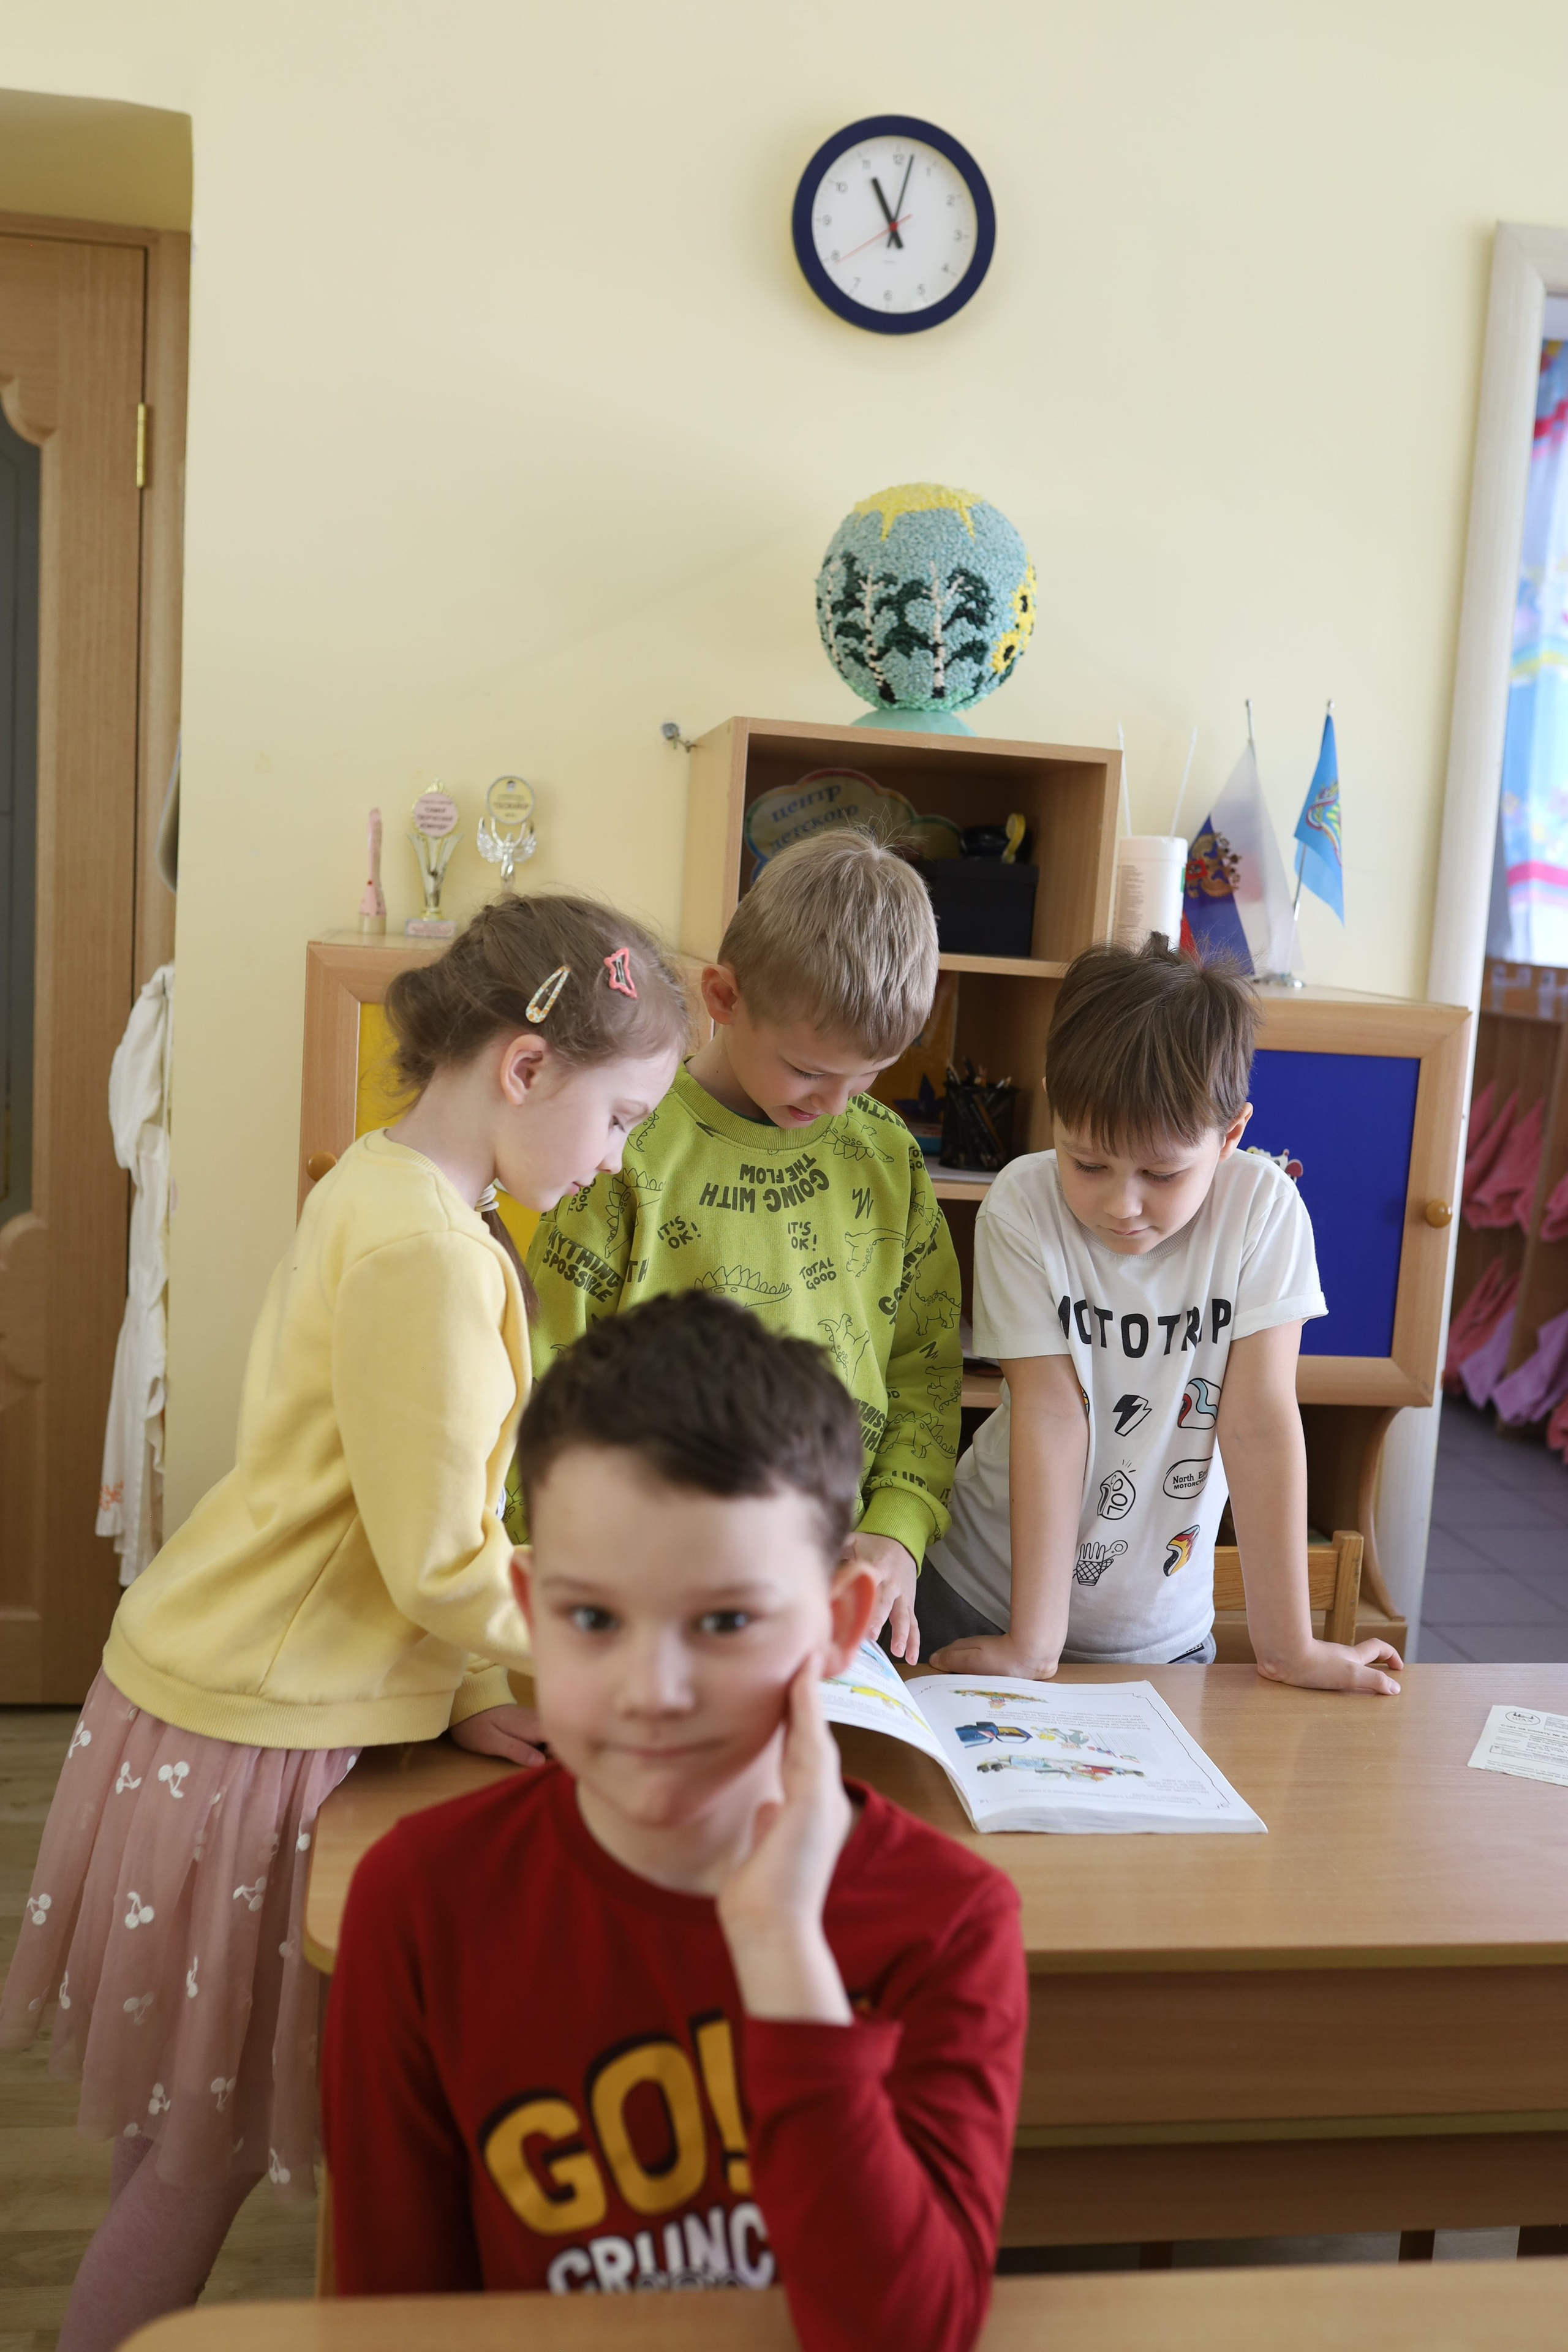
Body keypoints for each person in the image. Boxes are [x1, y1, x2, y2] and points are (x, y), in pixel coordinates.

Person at [1, 894, 689, 2352]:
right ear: (522, 1068)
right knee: (203, 2156)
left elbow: (354, 1508)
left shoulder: (382, 1183)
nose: (618, 1157)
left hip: (224, 1691)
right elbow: (440, 1556)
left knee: (181, 2134)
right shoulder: (428, 1254)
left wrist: (453, 1692)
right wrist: (640, 1645)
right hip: (250, 1725)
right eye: (621, 1117)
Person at [323, 1293, 1027, 2351]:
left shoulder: (947, 1919)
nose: (652, 1689)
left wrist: (785, 1950)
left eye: (727, 1621)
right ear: (528, 1607)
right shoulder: (420, 1902)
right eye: (593, 1618)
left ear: (840, 1625)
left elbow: (909, 2334)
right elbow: (396, 2313)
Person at [916, 939, 1404, 1695]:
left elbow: (1258, 1423)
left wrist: (1289, 1646)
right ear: (1055, 1105)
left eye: (1162, 1173)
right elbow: (1052, 1414)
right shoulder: (1022, 1201)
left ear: (1231, 1135)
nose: (1122, 1204)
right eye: (1088, 1164)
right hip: (981, 1600)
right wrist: (1033, 1644)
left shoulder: (1263, 1208)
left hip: (1161, 1638)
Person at [526, 828, 962, 1664]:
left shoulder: (888, 1158)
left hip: (841, 1604)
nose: (837, 1105)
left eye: (869, 1077)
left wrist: (897, 1532)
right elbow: (540, 1379)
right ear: (722, 997)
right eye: (807, 1071)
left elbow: (925, 1375)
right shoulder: (622, 1152)